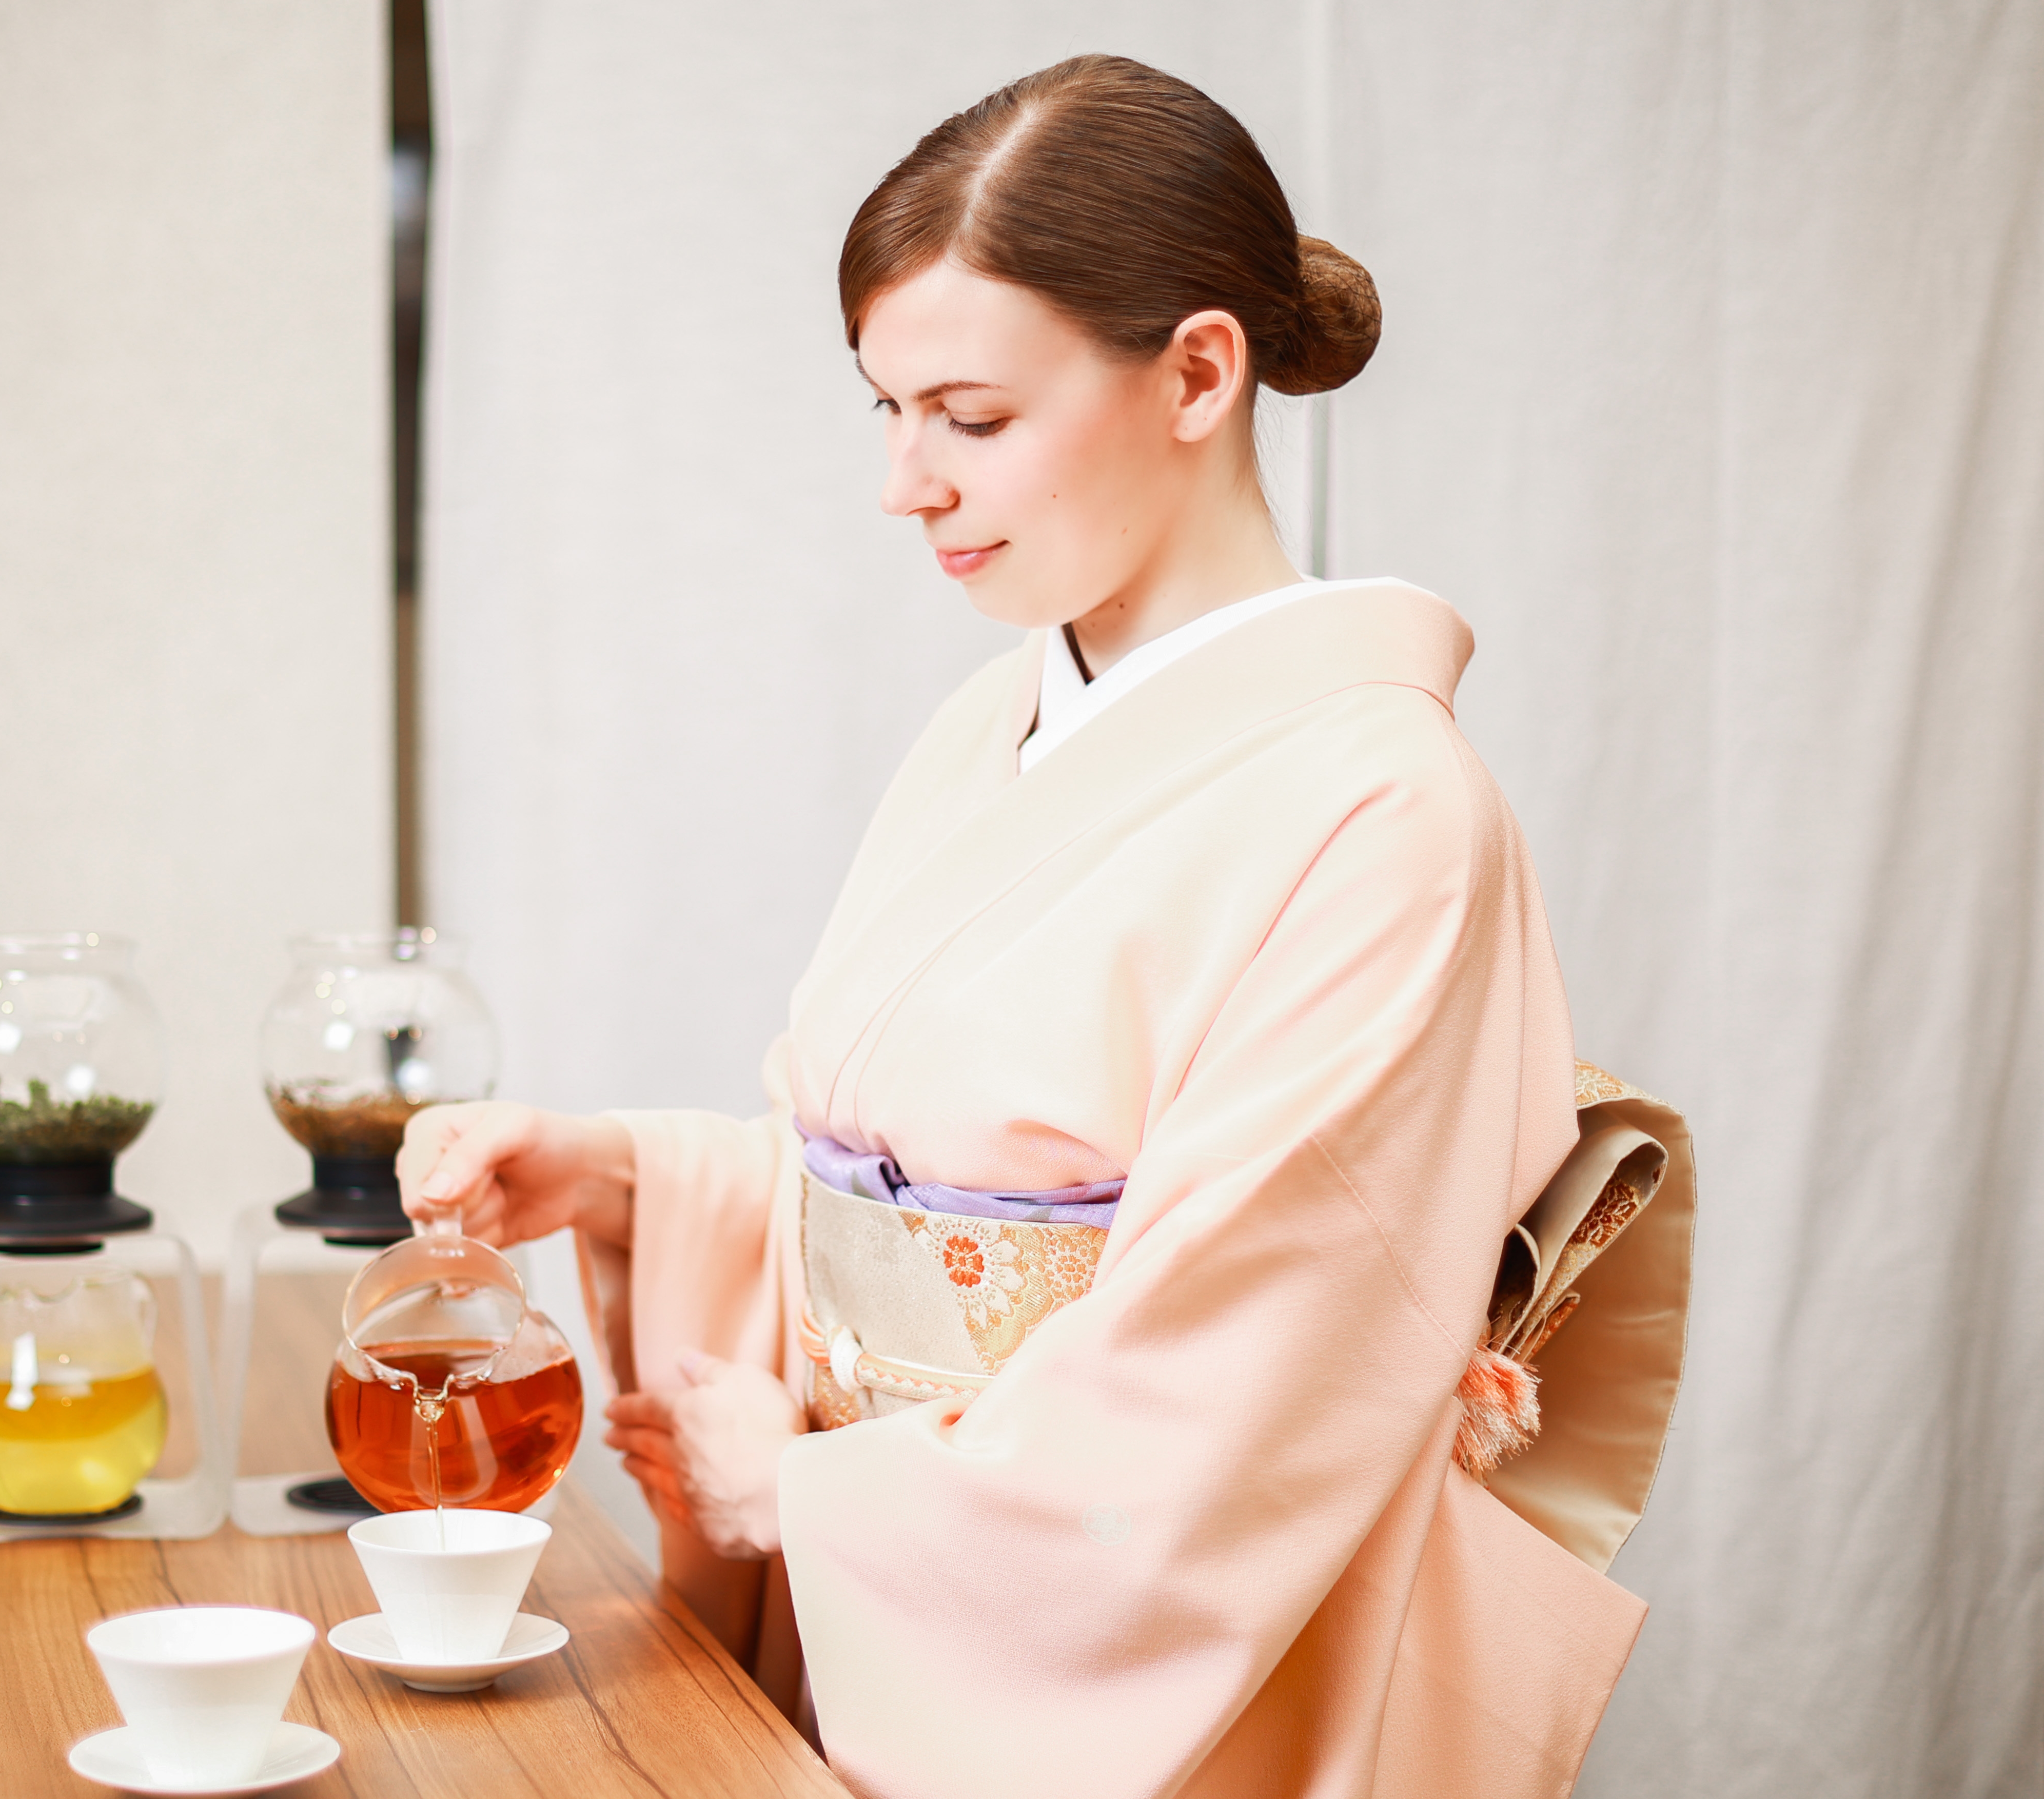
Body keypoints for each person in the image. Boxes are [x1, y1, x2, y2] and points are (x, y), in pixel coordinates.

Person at [397, 54, 1691, 1799]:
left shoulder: (1388, 809)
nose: (905, 483)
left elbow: (1241, 1375)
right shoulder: (994, 723)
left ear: (1199, 373)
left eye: (970, 417)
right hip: (891, 1624)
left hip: (1144, 1696)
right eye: (885, 410)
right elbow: (905, 1189)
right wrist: (620, 1172)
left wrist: (800, 1491)